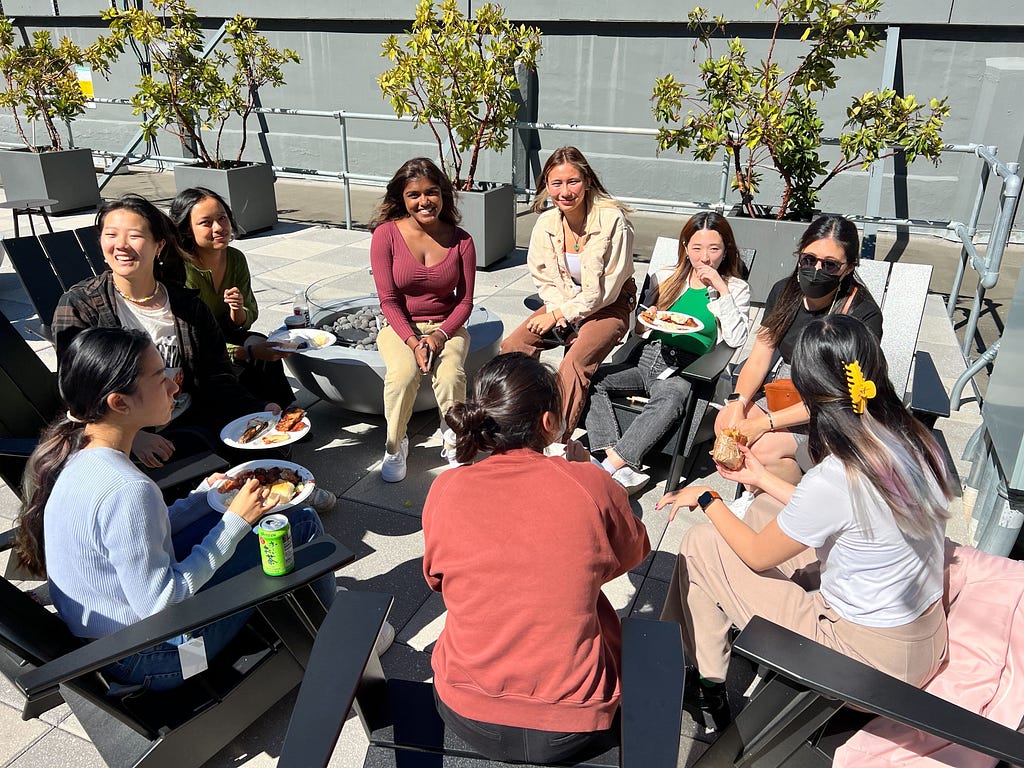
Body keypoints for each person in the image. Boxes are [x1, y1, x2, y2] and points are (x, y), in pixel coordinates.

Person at [659, 314, 953, 731]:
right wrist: (759, 479)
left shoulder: (838, 475)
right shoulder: (914, 440)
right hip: (922, 639)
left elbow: (759, 555)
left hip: (863, 664)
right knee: (763, 509)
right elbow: (851, 514)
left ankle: (701, 680)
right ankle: (697, 662)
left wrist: (706, 498)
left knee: (702, 544)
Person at [14, 327, 333, 692]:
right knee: (299, 522)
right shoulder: (128, 489)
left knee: (233, 521)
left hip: (110, 637)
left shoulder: (75, 453)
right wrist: (235, 522)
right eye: (158, 377)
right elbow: (161, 602)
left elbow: (143, 536)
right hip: (160, 660)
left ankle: (299, 608)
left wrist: (204, 498)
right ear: (120, 402)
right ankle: (335, 635)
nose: (173, 386)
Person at [423, 352, 650, 764]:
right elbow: (632, 552)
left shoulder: (446, 489)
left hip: (463, 710)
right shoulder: (589, 485)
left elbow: (437, 580)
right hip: (572, 722)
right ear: (549, 424)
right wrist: (589, 476)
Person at [714, 213, 882, 514]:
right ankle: (770, 494)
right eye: (809, 259)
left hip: (833, 413)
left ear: (849, 268)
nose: (816, 270)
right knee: (726, 422)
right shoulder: (785, 291)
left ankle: (766, 499)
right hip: (788, 392)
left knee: (764, 446)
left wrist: (762, 423)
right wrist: (738, 404)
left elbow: (838, 396)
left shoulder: (861, 315)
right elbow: (760, 355)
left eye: (829, 265)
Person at [585, 212, 751, 494]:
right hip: (648, 356)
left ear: (726, 251)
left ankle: (610, 464)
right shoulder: (665, 277)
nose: (705, 258)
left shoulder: (736, 289)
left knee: (671, 399)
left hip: (688, 367)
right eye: (697, 248)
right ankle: (613, 452)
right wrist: (644, 318)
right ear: (686, 248)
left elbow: (736, 338)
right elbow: (639, 329)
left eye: (714, 249)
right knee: (593, 378)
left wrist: (721, 290)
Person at [501, 146, 636, 443]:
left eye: (572, 181)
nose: (565, 191)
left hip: (610, 307)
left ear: (587, 181)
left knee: (574, 363)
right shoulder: (547, 222)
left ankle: (555, 439)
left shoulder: (612, 221)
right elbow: (543, 276)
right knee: (514, 345)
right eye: (556, 183)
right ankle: (515, 416)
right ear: (547, 186)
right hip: (562, 301)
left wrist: (562, 315)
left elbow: (606, 290)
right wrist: (557, 309)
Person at [369, 158, 476, 483]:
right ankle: (395, 444)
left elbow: (465, 301)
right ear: (402, 198)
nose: (424, 201)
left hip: (448, 325)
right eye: (414, 194)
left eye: (431, 192)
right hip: (401, 328)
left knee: (450, 375)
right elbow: (388, 300)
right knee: (402, 375)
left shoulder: (462, 240)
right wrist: (415, 341)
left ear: (443, 195)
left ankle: (454, 434)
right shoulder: (386, 235)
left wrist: (440, 336)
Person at [170, 186, 295, 408]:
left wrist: (236, 310)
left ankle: (282, 412)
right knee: (252, 353)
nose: (219, 227)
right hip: (197, 350)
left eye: (222, 218)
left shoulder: (235, 259)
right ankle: (252, 413)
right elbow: (191, 339)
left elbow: (248, 315)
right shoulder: (181, 269)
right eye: (206, 222)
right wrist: (242, 352)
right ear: (187, 229)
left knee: (263, 344)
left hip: (225, 336)